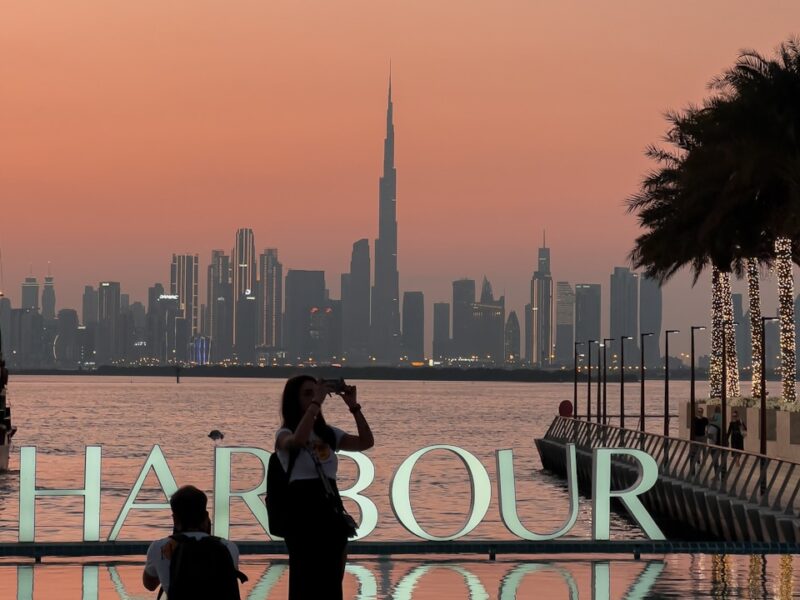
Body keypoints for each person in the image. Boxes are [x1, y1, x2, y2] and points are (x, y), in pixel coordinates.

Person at [275, 375, 375, 600]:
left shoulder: (329, 434)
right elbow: (297, 443)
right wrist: (316, 403)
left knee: (331, 582)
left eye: (316, 392)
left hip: (330, 511)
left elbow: (366, 442)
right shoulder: (284, 434)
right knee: (305, 581)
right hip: (302, 513)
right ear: (294, 400)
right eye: (307, 394)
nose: (314, 397)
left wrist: (354, 406)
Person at [143, 485, 241, 597]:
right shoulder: (228, 547)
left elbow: (149, 585)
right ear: (206, 516)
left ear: (175, 519)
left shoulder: (159, 548)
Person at [689, 406, 709, 474]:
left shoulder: (705, 419)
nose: (700, 413)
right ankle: (698, 460)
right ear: (697, 412)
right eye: (699, 411)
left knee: (704, 449)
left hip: (703, 436)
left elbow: (707, 426)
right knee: (697, 449)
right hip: (696, 436)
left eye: (701, 411)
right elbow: (692, 427)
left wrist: (707, 433)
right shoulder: (695, 419)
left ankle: (704, 461)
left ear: (702, 412)